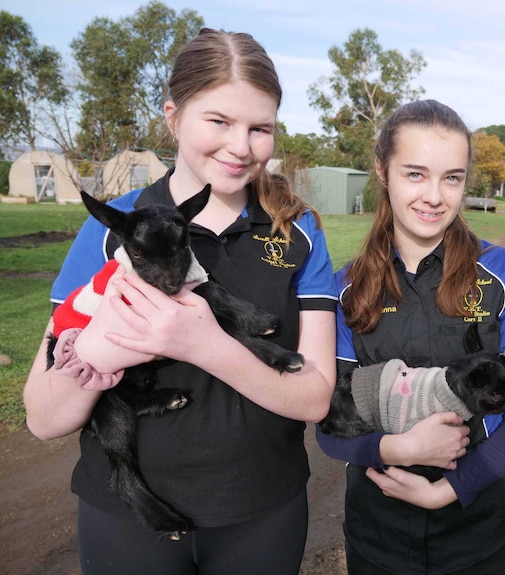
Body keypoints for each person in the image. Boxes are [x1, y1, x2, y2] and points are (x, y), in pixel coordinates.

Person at [23, 28, 337, 575]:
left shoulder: (300, 230)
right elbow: (44, 418)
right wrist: (93, 351)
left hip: (262, 508)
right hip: (125, 518)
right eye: (218, 121)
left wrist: (203, 344)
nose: (240, 146)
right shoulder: (110, 231)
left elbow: (313, 399)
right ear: (172, 116)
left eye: (260, 128)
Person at [315, 99, 505, 574]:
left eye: (452, 178)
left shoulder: (504, 274)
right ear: (383, 171)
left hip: (479, 528)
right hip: (378, 533)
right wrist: (396, 449)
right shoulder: (345, 290)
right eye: (416, 174)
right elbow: (329, 427)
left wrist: (451, 488)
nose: (435, 196)